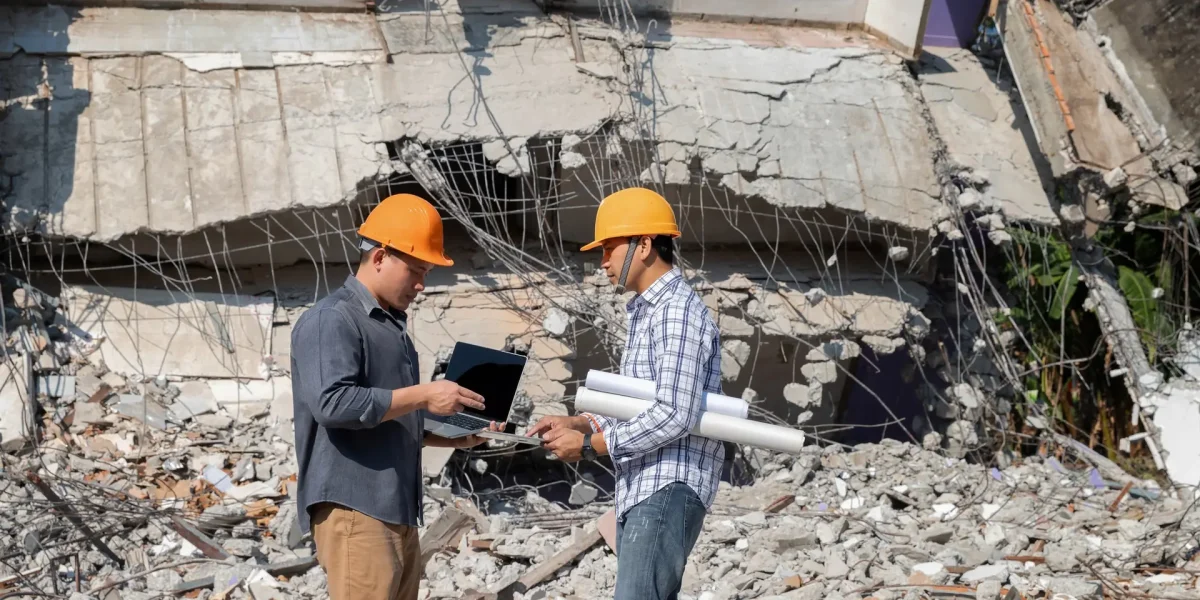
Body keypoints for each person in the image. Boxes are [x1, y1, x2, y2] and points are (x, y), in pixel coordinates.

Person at [290, 193, 501, 600]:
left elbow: (386, 413)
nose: (421, 284)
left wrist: (453, 437)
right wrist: (424, 395)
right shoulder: (331, 319)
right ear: (381, 256)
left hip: (396, 511)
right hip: (356, 510)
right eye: (416, 271)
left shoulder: (390, 328)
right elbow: (333, 404)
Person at [527, 187, 724, 600]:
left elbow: (674, 413)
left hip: (668, 482)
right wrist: (578, 423)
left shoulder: (675, 312)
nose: (603, 262)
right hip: (647, 483)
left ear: (645, 244)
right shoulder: (648, 311)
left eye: (610, 248)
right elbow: (638, 404)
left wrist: (589, 445)